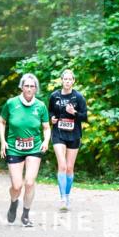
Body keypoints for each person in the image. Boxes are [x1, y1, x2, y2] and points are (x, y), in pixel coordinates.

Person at [0, 73, 51, 227]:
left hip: (34, 147)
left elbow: (46, 127)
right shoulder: (11, 103)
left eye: (32, 86)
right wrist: (3, 142)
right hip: (14, 148)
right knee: (17, 186)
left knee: (29, 182)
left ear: (36, 89)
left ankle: (26, 215)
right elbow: (1, 122)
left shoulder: (40, 106)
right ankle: (14, 203)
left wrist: (46, 141)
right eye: (26, 86)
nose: (29, 89)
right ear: (21, 87)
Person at [48, 68, 88, 211]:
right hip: (58, 133)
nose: (67, 81)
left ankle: (67, 195)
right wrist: (52, 118)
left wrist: (74, 112)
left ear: (73, 81)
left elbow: (85, 117)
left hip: (74, 134)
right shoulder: (54, 96)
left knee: (70, 168)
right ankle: (63, 199)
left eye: (70, 79)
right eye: (65, 79)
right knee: (63, 166)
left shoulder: (78, 97)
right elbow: (50, 111)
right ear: (61, 81)